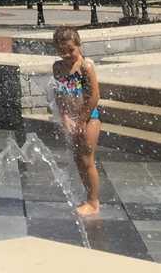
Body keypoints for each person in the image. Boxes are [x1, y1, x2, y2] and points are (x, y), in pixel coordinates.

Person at [51, 25, 102, 216]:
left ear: (79, 45)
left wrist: (81, 120)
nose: (66, 55)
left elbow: (95, 96)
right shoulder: (58, 67)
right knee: (78, 159)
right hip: (73, 118)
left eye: (70, 50)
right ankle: (89, 197)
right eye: (61, 51)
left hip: (89, 118)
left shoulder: (85, 67)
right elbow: (59, 94)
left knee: (87, 159)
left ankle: (93, 202)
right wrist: (64, 116)